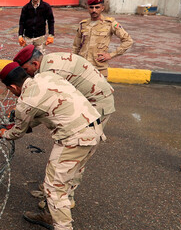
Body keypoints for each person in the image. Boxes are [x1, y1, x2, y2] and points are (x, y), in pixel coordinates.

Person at [0, 62, 101, 230]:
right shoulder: (46, 77)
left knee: (54, 187)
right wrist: (21, 120)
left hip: (74, 138)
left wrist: (3, 132)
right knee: (65, 180)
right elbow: (45, 110)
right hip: (92, 128)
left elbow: (16, 132)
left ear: (13, 88)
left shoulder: (25, 103)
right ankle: (52, 217)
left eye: (10, 91)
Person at [13, 44, 114, 206]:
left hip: (96, 106)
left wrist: (23, 123)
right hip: (90, 101)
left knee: (74, 152)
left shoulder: (49, 73)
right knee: (67, 152)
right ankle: (54, 191)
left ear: (35, 64)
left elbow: (48, 107)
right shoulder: (49, 62)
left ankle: (63, 199)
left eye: (25, 69)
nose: (25, 75)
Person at [72, 0, 133, 76]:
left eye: (97, 7)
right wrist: (73, 62)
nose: (94, 10)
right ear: (88, 8)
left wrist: (111, 55)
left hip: (99, 68)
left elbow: (128, 41)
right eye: (91, 7)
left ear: (102, 8)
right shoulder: (83, 24)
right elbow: (76, 46)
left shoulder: (110, 23)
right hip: (83, 67)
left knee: (100, 89)